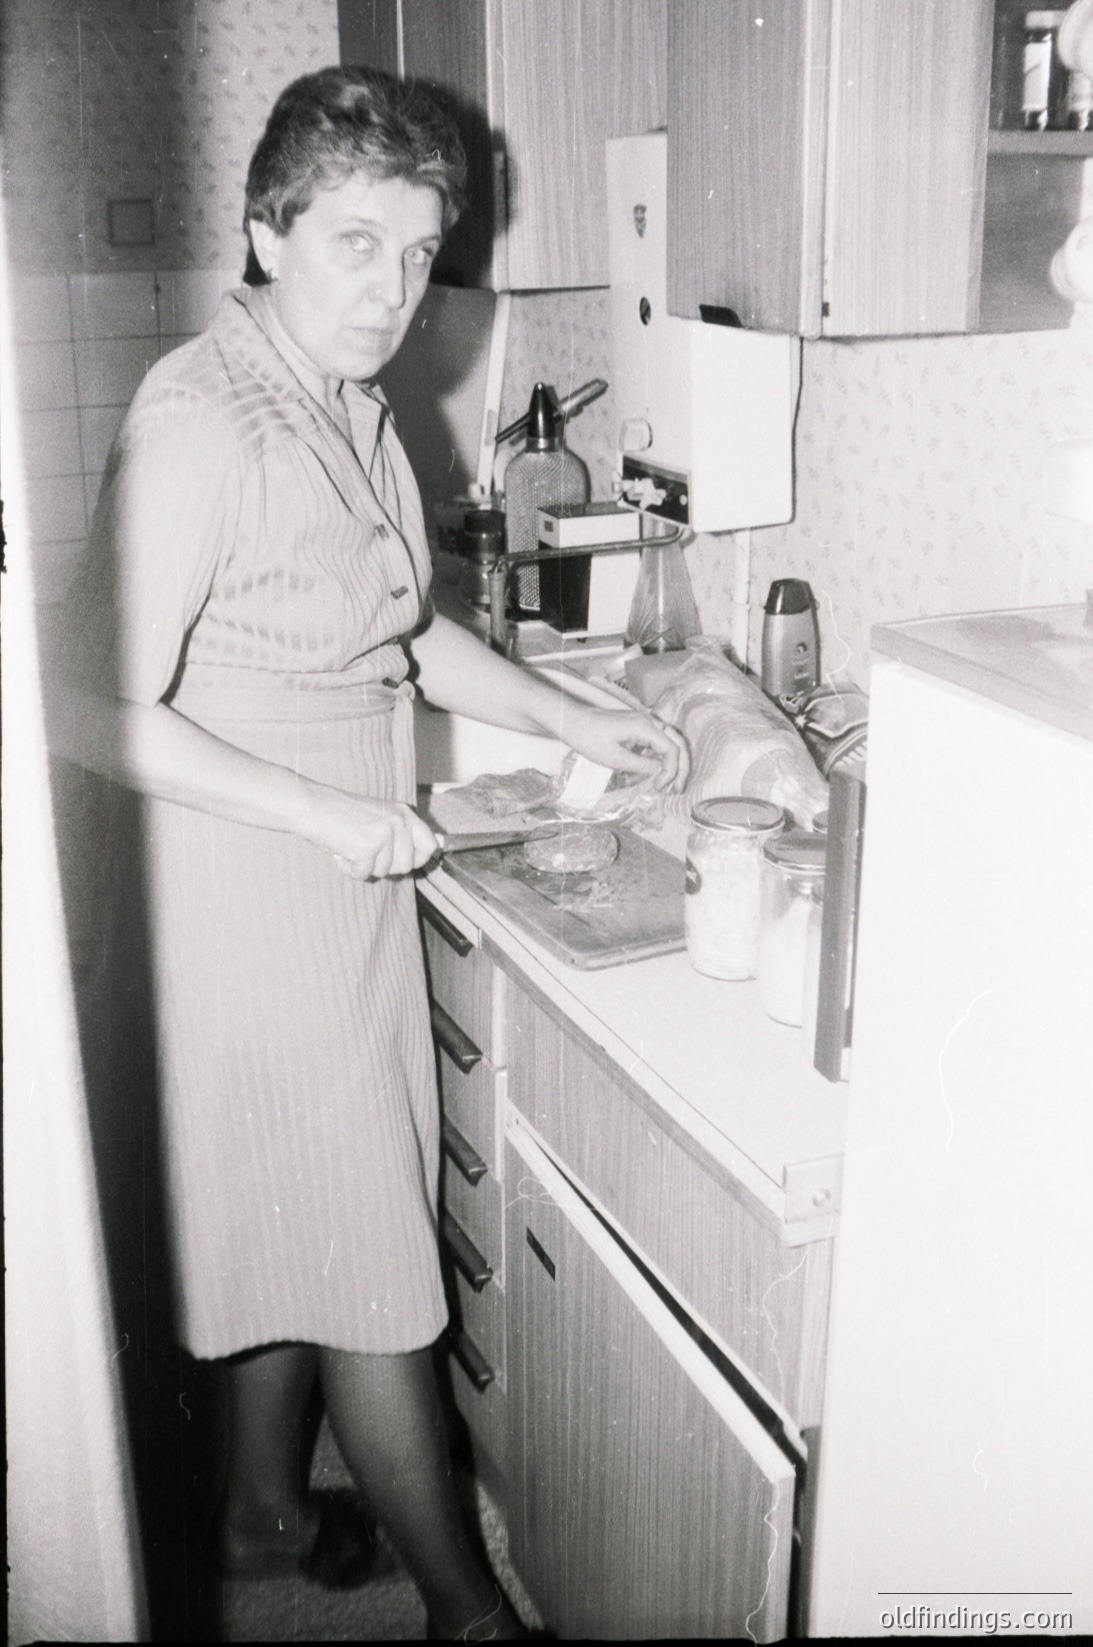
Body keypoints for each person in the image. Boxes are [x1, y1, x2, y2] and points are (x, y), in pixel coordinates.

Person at [47, 65, 687, 1640]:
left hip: (329, 877)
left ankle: (266, 1517)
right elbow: (79, 709)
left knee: (287, 1217)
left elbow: (400, 633)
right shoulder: (202, 418)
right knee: (375, 1265)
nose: (394, 292)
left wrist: (567, 716)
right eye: (353, 244)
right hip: (243, 893)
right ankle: (472, 1613)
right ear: (265, 233)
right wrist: (333, 814)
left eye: (417, 255)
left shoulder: (348, 401)